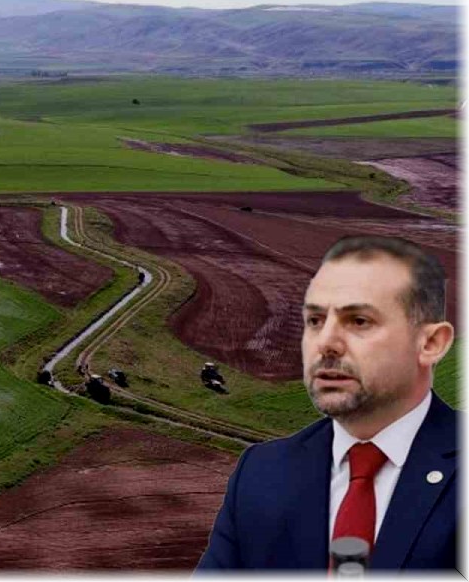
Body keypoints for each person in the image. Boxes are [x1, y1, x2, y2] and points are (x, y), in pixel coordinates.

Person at [196, 235, 458, 571]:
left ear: (431, 342)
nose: (326, 343)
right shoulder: (261, 472)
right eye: (315, 321)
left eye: (359, 321)